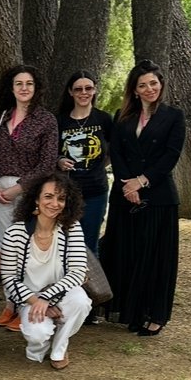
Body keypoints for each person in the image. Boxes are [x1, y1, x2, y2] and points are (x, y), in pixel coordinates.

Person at [99, 59, 186, 336]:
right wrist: (128, 185)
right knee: (127, 254)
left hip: (158, 197)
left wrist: (142, 181)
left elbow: (170, 155)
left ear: (161, 85)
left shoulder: (174, 116)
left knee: (155, 258)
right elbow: (117, 152)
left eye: (153, 83)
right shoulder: (122, 116)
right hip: (124, 195)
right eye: (142, 85)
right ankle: (131, 312)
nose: (149, 89)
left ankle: (154, 314)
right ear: (134, 90)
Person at [0, 65, 59, 331]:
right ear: (12, 88)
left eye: (29, 83)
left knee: (29, 249)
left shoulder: (46, 120)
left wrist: (20, 187)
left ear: (36, 88)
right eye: (19, 83)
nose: (24, 88)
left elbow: (48, 162)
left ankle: (29, 307)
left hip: (30, 192)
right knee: (5, 251)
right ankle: (11, 304)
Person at [0, 171, 92, 370]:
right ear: (36, 199)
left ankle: (60, 346)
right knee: (37, 335)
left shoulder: (71, 228)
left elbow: (77, 272)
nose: (55, 203)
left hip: (62, 293)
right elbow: (8, 278)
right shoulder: (14, 232)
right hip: (29, 299)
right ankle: (39, 346)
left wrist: (46, 298)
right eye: (48, 196)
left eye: (61, 198)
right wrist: (36, 301)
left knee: (81, 301)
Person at [55, 71, 113, 255]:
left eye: (88, 88)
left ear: (95, 90)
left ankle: (91, 275)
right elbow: (51, 152)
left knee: (89, 245)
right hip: (66, 192)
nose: (84, 93)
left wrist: (99, 165)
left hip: (96, 191)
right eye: (78, 89)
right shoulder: (59, 121)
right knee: (64, 244)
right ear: (70, 92)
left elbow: (114, 150)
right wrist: (59, 160)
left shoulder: (104, 119)